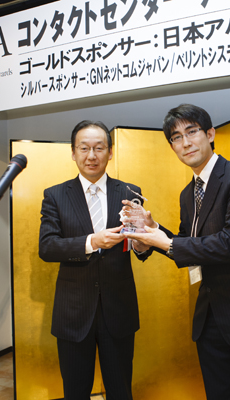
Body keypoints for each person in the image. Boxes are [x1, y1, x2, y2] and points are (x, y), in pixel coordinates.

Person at [123, 104, 230, 399]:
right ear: (172, 147)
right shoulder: (187, 194)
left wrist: (164, 241)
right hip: (210, 319)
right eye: (176, 137)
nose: (185, 142)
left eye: (192, 132)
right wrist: (152, 230)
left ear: (210, 134)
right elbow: (189, 244)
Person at [39, 120, 149, 400]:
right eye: (84, 148)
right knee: (75, 392)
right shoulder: (55, 195)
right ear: (73, 152)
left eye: (99, 148)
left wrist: (141, 242)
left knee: (121, 390)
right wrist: (92, 242)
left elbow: (141, 247)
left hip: (119, 310)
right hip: (73, 312)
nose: (91, 155)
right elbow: (47, 247)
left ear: (110, 152)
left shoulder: (130, 192)